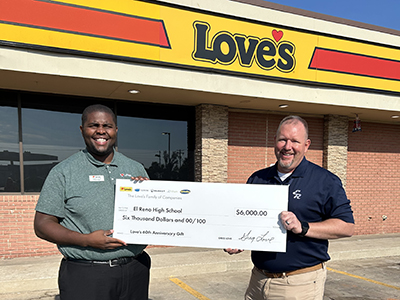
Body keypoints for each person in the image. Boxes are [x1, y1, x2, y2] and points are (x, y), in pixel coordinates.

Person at [226, 115, 354, 300]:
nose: (287, 146)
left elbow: (347, 226)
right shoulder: (258, 179)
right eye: (282, 140)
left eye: (295, 141)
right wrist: (238, 240)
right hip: (258, 280)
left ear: (306, 145)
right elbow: (248, 221)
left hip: (299, 284)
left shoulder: (325, 181)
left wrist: (303, 227)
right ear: (275, 142)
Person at [34, 104, 150, 300]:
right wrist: (87, 240)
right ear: (82, 130)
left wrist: (150, 194)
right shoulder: (64, 171)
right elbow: (42, 225)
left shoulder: (135, 168)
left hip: (135, 270)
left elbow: (152, 216)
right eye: (93, 125)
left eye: (108, 126)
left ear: (116, 130)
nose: (101, 131)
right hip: (86, 275)